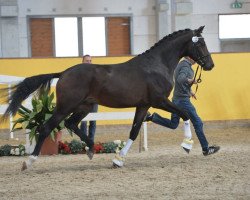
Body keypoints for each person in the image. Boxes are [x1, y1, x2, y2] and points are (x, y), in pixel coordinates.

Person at [145, 57, 220, 156]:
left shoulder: (181, 64)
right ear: (189, 57)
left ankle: (151, 117)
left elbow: (179, 82)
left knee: (173, 124)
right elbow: (181, 79)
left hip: (176, 99)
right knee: (198, 123)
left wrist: (190, 91)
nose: (196, 60)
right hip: (183, 101)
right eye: (194, 58)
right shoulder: (185, 66)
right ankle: (205, 149)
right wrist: (191, 81)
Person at [80, 55, 98, 143]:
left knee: (93, 121)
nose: (89, 62)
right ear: (82, 62)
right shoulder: (79, 73)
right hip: (83, 100)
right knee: (83, 121)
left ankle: (91, 141)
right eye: (87, 61)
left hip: (94, 100)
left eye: (90, 61)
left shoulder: (95, 73)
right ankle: (83, 141)